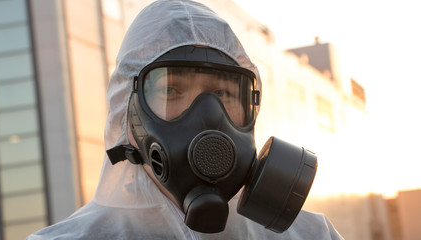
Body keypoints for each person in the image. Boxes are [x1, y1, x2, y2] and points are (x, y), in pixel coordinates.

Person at [27, 0, 343, 239]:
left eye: (224, 94)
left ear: (252, 111)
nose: (206, 116)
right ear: (128, 113)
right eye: (171, 90)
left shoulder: (310, 235)